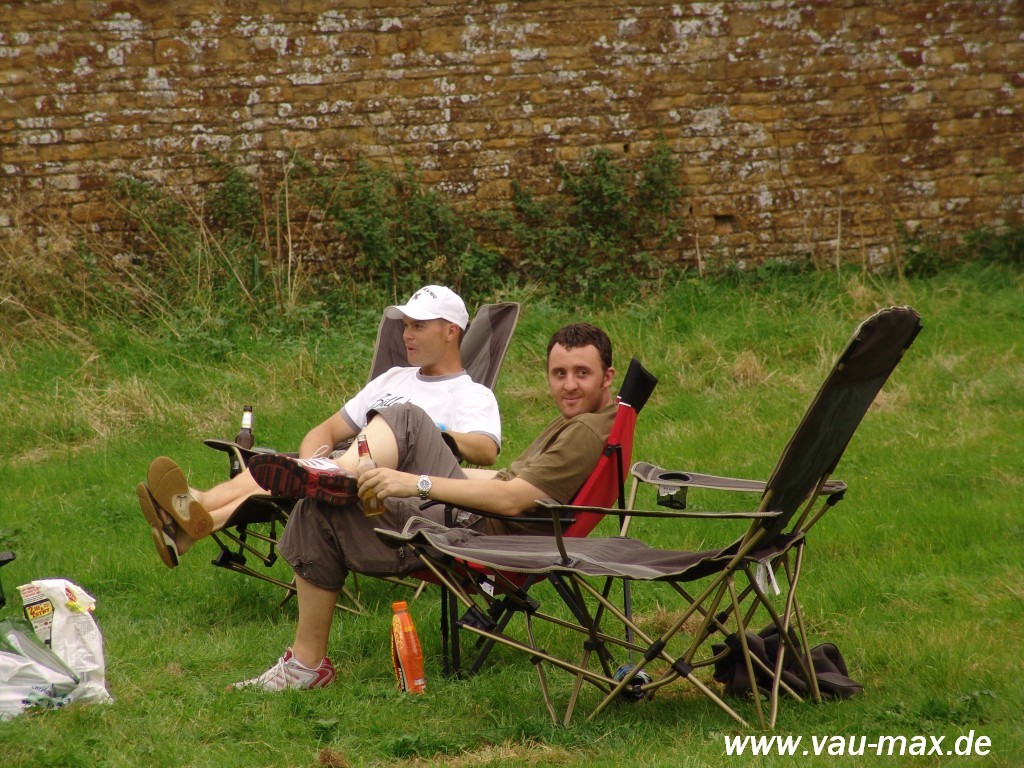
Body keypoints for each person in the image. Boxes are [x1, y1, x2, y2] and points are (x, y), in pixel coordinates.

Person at [232, 322, 617, 691]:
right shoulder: (592, 419)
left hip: (481, 534)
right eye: (559, 373)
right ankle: (333, 477)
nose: (569, 384)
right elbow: (509, 481)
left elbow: (512, 499)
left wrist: (417, 484)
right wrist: (413, 479)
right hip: (490, 522)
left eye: (582, 373)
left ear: (607, 377)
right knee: (321, 504)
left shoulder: (583, 431)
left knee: (405, 420)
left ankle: (333, 475)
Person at [136, 286, 501, 569]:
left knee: (394, 423)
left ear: (450, 331)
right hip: (345, 470)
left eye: (418, 326)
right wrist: (311, 463)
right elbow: (324, 431)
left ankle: (192, 518)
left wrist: (430, 432)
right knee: (278, 468)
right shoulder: (393, 377)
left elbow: (486, 450)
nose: (407, 335)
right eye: (405, 326)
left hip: (398, 486)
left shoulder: (470, 393)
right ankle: (192, 521)